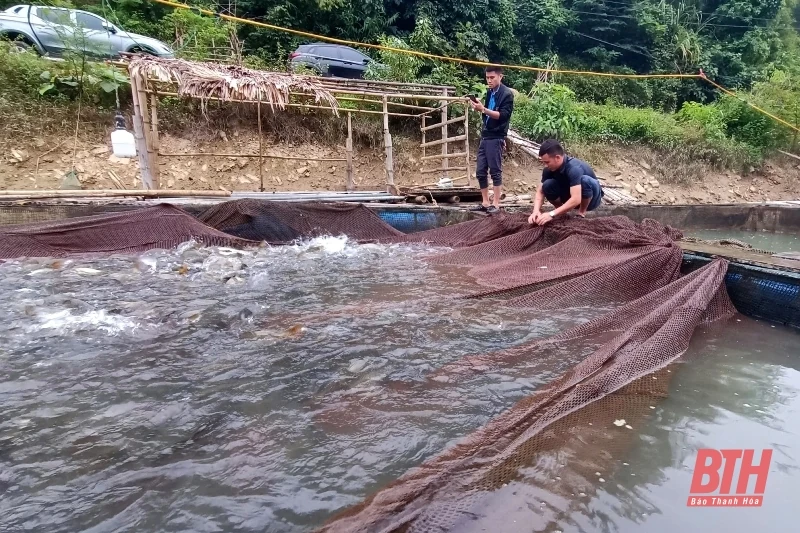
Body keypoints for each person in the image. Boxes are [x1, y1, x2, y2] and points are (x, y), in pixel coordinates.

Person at [469, 66, 514, 214]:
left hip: (497, 136)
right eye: (487, 78)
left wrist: (483, 109)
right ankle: (485, 202)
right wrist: (480, 107)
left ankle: (496, 204)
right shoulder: (490, 92)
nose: (489, 80)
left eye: (492, 77)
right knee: (481, 171)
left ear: (500, 77)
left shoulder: (507, 94)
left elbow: (503, 115)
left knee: (495, 170)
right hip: (486, 134)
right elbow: (487, 111)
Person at [529, 139, 603, 226]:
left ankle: (581, 213)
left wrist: (551, 214)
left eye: (547, 162)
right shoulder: (548, 170)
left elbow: (576, 199)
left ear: (557, 158)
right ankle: (561, 212)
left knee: (585, 181)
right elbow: (540, 191)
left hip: (591, 200)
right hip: (570, 197)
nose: (545, 165)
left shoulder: (573, 168)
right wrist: (536, 211)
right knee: (547, 185)